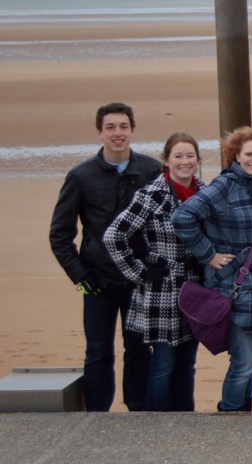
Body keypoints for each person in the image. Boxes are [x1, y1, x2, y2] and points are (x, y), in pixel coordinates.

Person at [49, 102, 161, 411]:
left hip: (140, 280)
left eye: (123, 126)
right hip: (97, 281)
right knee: (98, 350)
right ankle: (97, 414)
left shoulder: (152, 171)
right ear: (100, 132)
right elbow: (59, 235)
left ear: (132, 131)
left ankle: (138, 409)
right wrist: (81, 278)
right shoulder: (80, 176)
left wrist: (154, 265)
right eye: (110, 127)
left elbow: (166, 223)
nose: (117, 133)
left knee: (139, 348)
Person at [172, 126, 252, 412]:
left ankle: (242, 413)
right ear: (236, 155)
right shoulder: (225, 186)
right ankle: (229, 413)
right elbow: (183, 217)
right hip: (237, 289)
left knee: (248, 362)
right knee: (243, 363)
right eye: (249, 154)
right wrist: (208, 254)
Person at [103, 132, 204, 411]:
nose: (185, 162)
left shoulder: (205, 192)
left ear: (198, 159)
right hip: (162, 292)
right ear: (166, 160)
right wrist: (138, 272)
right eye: (178, 156)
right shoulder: (151, 195)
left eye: (190, 156)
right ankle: (155, 423)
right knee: (163, 363)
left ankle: (185, 415)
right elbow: (114, 236)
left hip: (195, 291)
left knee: (188, 362)